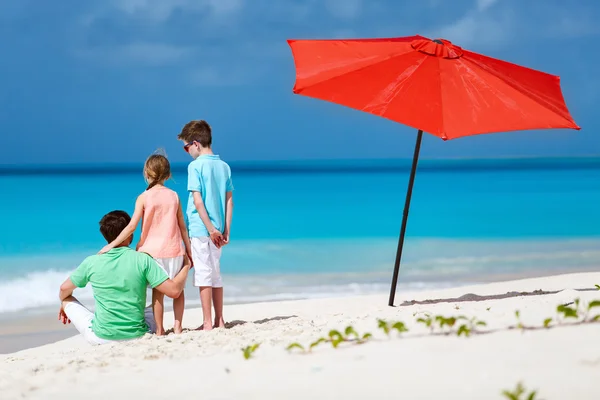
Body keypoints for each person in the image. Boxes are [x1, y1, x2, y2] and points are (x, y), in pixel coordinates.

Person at [58, 210, 191, 345]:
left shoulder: (91, 262)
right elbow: (174, 291)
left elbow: (64, 289)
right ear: (129, 233)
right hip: (138, 335)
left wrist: (64, 304)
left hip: (102, 338)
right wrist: (186, 265)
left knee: (67, 299)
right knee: (153, 306)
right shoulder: (143, 259)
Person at [98, 154, 192, 335]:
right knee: (178, 292)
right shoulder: (174, 196)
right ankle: (178, 327)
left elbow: (132, 226)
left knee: (158, 293)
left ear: (147, 174)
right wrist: (188, 250)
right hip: (174, 250)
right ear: (167, 175)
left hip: (151, 253)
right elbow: (182, 227)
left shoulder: (143, 197)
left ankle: (160, 330)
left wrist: (112, 244)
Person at [178, 119, 234, 331]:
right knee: (216, 273)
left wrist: (210, 228)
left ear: (196, 144)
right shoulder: (224, 166)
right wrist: (225, 228)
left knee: (203, 273)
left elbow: (198, 201)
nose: (187, 152)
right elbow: (229, 200)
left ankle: (208, 322)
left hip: (203, 229)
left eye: (186, 147)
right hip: (219, 229)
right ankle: (220, 319)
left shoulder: (195, 167)